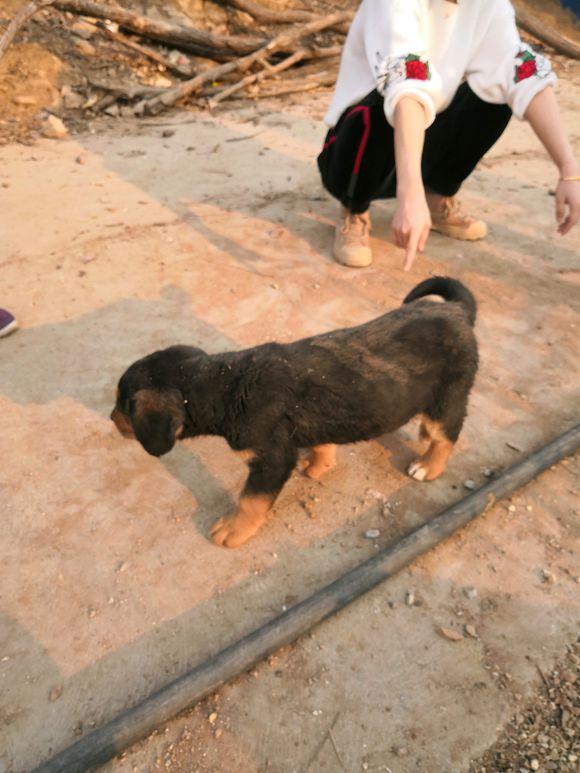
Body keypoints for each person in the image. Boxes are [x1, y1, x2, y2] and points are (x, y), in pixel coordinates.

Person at [318, 0, 580, 268]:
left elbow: (521, 71)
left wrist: (569, 170)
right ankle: (355, 210)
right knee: (382, 106)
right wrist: (410, 196)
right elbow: (406, 88)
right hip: (354, 152)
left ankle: (437, 192)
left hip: (421, 136)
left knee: (499, 90)